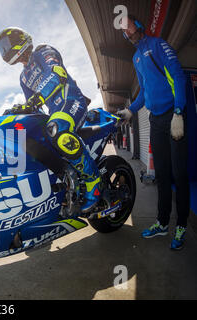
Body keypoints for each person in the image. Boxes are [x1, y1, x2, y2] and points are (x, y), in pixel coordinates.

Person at [0, 27, 100, 213]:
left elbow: (56, 73)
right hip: (54, 111)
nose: (5, 51)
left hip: (71, 101)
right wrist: (18, 111)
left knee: (56, 129)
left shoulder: (44, 52)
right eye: (2, 48)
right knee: (30, 139)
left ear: (20, 40)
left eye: (6, 45)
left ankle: (93, 180)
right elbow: (32, 104)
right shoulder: (23, 77)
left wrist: (36, 99)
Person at [117, 15, 190, 250]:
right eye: (124, 32)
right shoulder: (136, 57)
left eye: (129, 27)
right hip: (156, 120)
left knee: (179, 174)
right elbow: (144, 92)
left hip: (173, 115)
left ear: (138, 25)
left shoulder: (158, 44)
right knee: (163, 175)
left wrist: (179, 111)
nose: (127, 33)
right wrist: (131, 110)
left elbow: (178, 76)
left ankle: (181, 226)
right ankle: (161, 223)